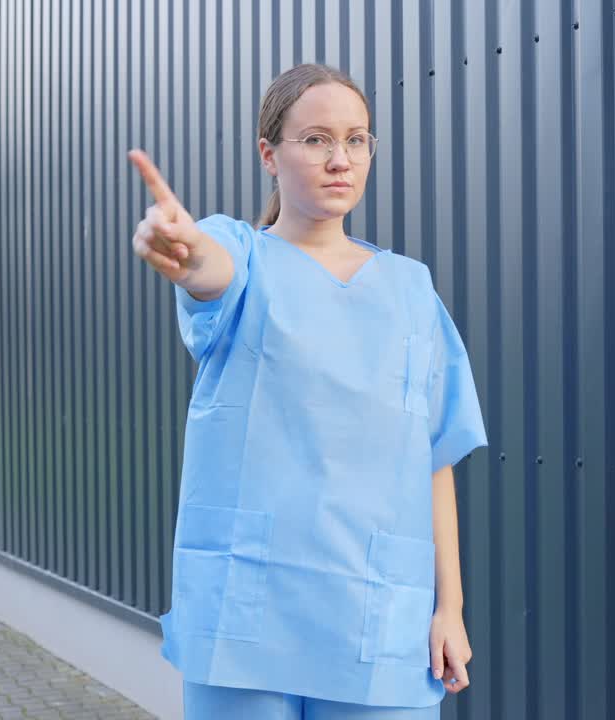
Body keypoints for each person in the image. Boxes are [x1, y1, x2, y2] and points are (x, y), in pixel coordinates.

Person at [128, 62, 488, 720]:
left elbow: (434, 458)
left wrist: (449, 608)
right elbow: (211, 268)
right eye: (317, 139)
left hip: (378, 620)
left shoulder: (411, 290)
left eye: (357, 139)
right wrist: (184, 247)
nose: (340, 159)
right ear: (269, 154)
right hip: (249, 611)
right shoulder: (245, 256)